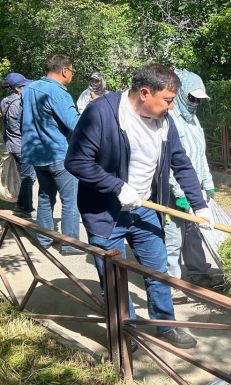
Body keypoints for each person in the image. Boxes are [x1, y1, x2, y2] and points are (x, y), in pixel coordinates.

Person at [65, 63, 214, 349]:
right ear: (145, 93)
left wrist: (199, 204)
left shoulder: (165, 122)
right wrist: (117, 186)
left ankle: (165, 325)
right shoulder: (102, 113)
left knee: (157, 272)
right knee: (114, 280)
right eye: (168, 100)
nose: (171, 107)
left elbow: (181, 162)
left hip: (145, 209)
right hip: (105, 214)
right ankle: (125, 331)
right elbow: (75, 161)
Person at [165, 68, 221, 296]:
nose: (196, 102)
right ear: (180, 93)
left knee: (194, 232)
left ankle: (198, 273)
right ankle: (171, 283)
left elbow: (200, 154)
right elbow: (168, 161)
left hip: (195, 190)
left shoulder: (194, 120)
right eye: (192, 97)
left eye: (199, 99)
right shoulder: (169, 119)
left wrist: (207, 183)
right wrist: (179, 193)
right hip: (173, 192)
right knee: (174, 236)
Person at [20, 54, 83, 255]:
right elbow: (75, 124)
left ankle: (44, 238)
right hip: (58, 154)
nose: (72, 75)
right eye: (72, 71)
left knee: (46, 196)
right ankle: (70, 244)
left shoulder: (28, 89)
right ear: (65, 70)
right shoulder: (58, 93)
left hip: (36, 154)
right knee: (70, 201)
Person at [0, 73, 36, 216]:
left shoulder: (4, 101)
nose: (26, 87)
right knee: (29, 176)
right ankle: (27, 208)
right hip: (21, 145)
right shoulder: (19, 103)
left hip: (11, 144)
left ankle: (21, 205)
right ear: (17, 88)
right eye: (23, 86)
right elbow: (23, 126)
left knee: (24, 174)